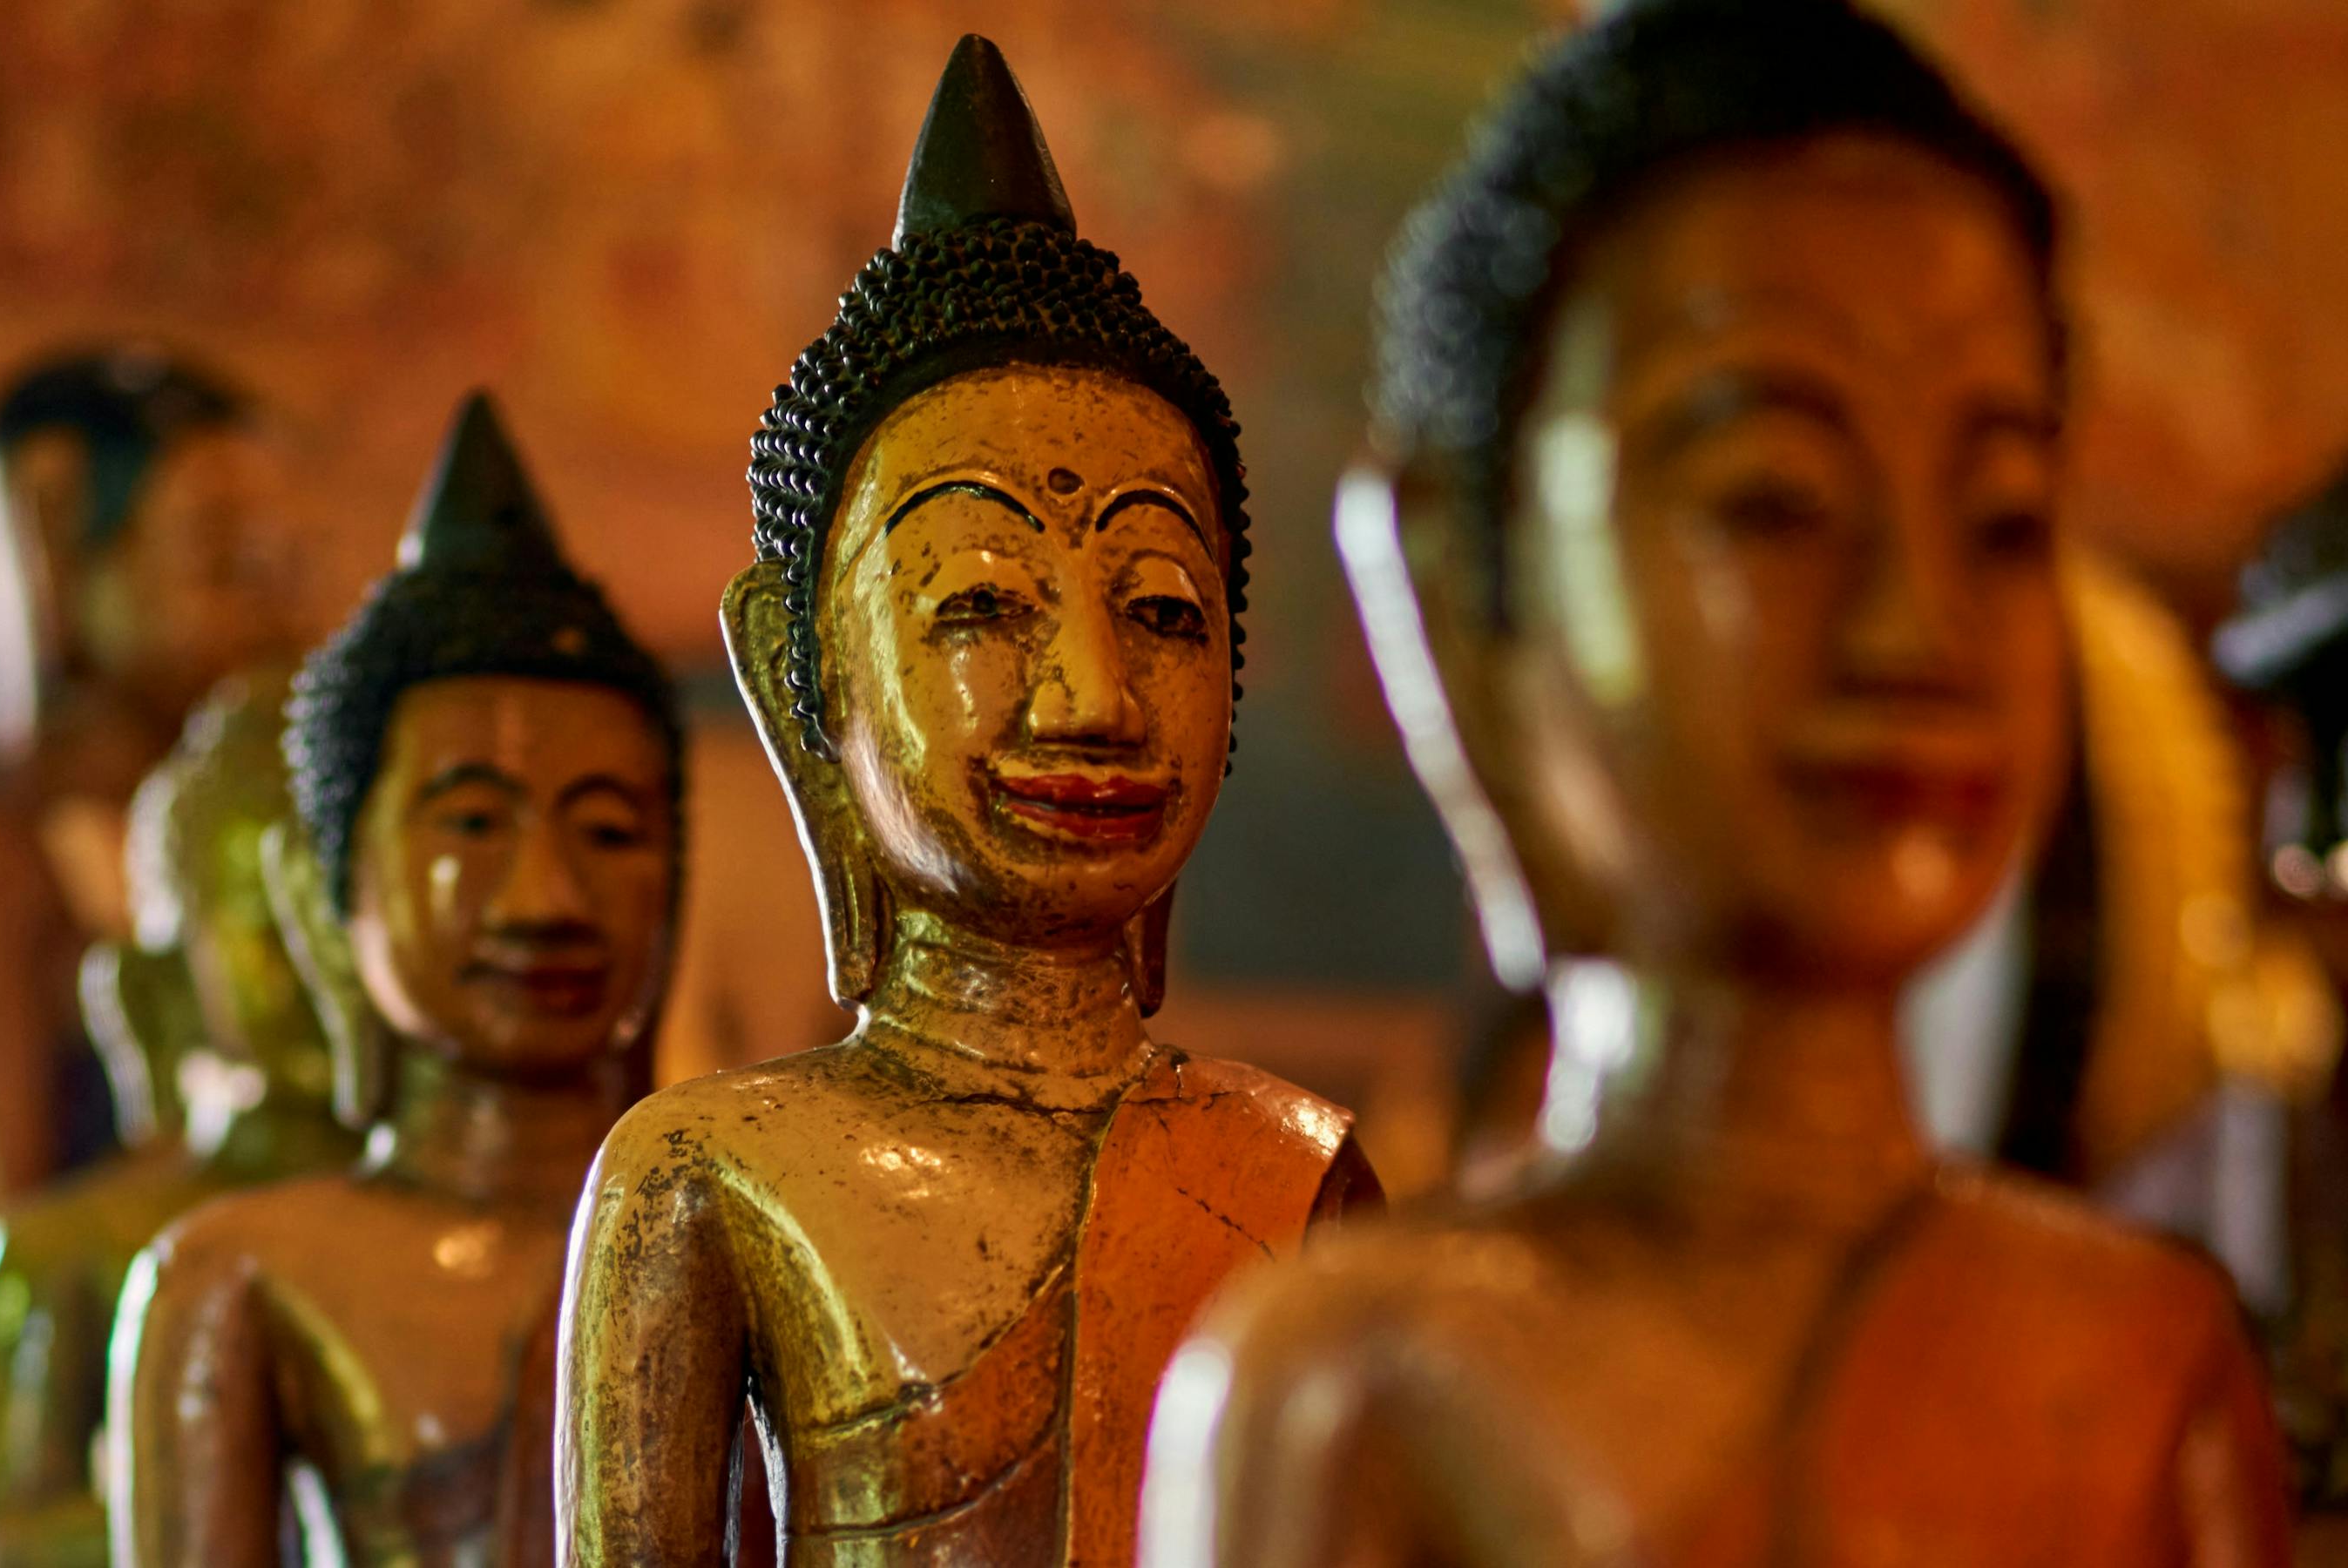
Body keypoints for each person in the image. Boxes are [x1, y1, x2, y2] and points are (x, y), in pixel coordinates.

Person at [1144, 3, 2290, 1563]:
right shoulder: (1357, 1377)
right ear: (1461, 583)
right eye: (1773, 501)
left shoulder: (2143, 1357)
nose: (1917, 629)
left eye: (2005, 519)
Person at [555, 37, 1379, 1566]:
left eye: (1164, 610)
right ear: (804, 677)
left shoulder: (1292, 1165)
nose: (1092, 697)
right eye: (983, 604)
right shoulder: (707, 1172)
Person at [106, 392, 681, 1566]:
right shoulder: (239, 1275)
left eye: (611, 831)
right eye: (472, 824)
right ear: (333, 894)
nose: (548, 900)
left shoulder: (729, 1234)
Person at [0, 346, 295, 1568]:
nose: (276, 597)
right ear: (54, 539)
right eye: (221, 550)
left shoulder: (255, 869)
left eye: (282, 558)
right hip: (19, 1498)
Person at [0, 668, 359, 1568]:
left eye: (338, 919)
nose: (317, 969)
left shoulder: (439, 1233)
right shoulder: (64, 1254)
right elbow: (6, 1541)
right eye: (265, 931)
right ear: (160, 985)